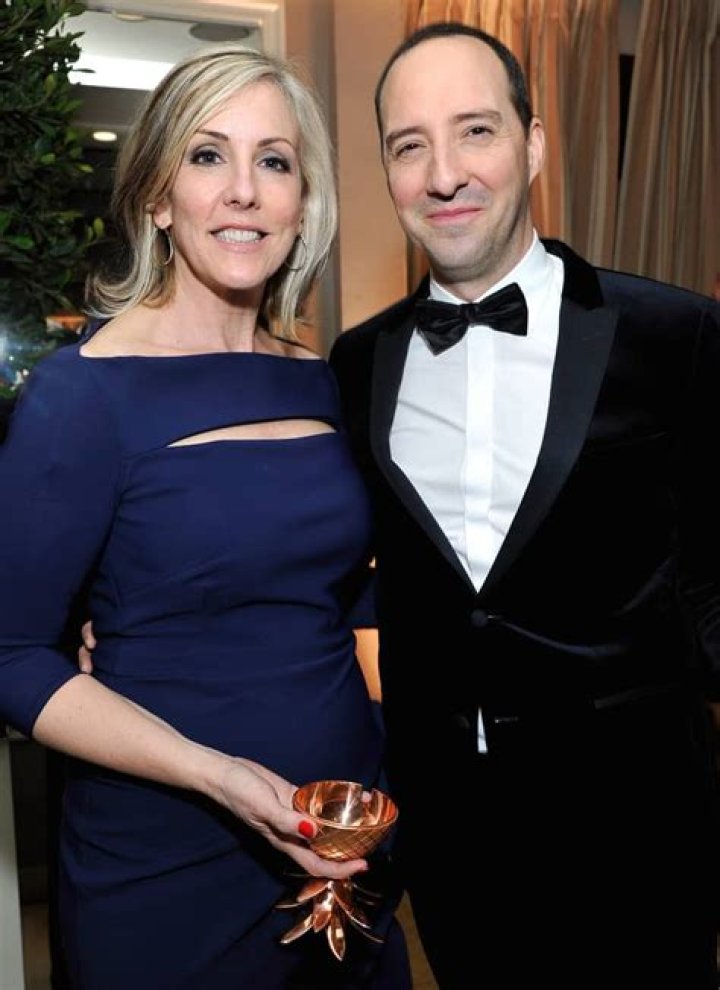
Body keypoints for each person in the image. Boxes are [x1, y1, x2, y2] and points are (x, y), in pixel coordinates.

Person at [0, 43, 411, 989]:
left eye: (275, 161)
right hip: (167, 862)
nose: (244, 191)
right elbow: (12, 654)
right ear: (157, 196)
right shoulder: (83, 395)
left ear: (303, 202)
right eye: (207, 155)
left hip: (344, 841)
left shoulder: (320, 378)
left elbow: (329, 589)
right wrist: (216, 774)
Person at [329, 21, 720, 990]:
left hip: (643, 830)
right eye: (409, 145)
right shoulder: (358, 364)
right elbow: (342, 564)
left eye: (476, 131)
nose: (444, 174)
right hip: (453, 839)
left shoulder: (677, 336)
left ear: (534, 145)